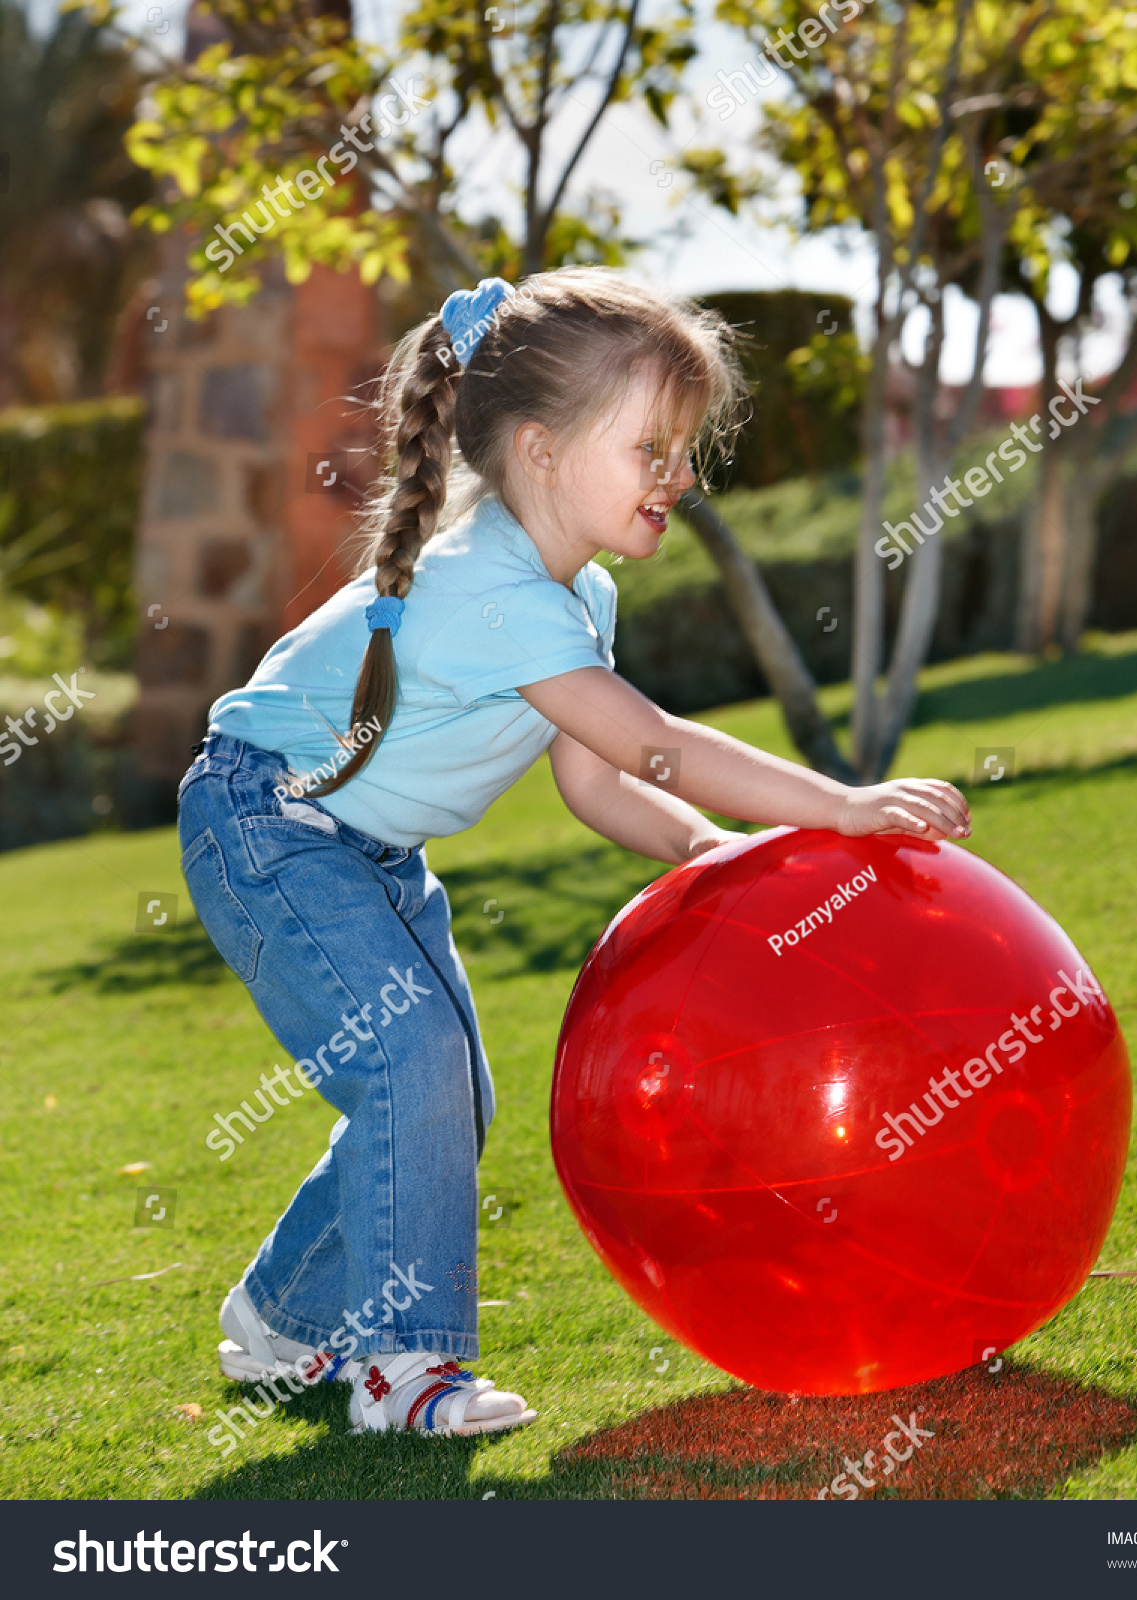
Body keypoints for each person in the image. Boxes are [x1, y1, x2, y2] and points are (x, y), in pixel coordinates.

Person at [178, 268, 972, 1440]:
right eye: (650, 449)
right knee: (413, 1061)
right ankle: (403, 1369)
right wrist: (836, 806)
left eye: (684, 450)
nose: (681, 478)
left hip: (367, 851)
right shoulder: (486, 586)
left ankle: (286, 1319)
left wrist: (714, 855)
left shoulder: (574, 593)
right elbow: (647, 744)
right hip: (267, 826)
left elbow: (594, 776)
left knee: (446, 1083)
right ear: (540, 452)